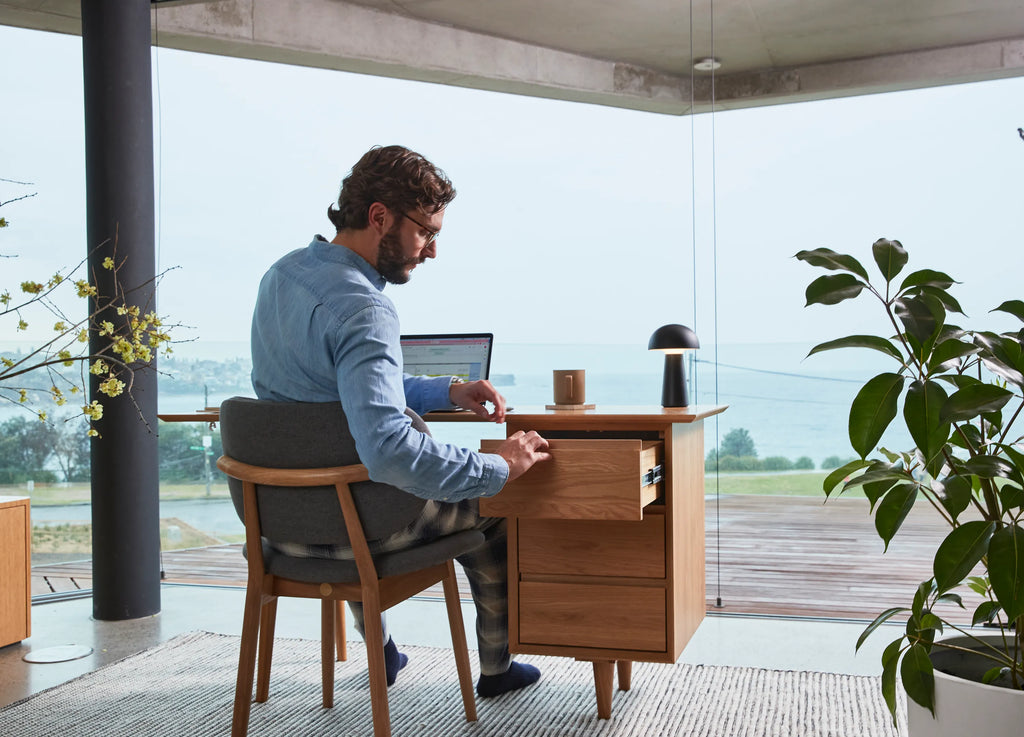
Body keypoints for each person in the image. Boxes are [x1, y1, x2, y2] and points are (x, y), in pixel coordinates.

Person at [249, 144, 552, 697]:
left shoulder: (281, 277)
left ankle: (381, 651)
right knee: (496, 509)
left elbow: (340, 391)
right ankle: (497, 669)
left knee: (356, 483)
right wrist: (497, 466)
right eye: (425, 232)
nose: (432, 251)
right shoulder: (365, 308)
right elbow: (388, 451)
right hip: (352, 536)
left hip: (278, 530)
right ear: (380, 216)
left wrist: (446, 390)